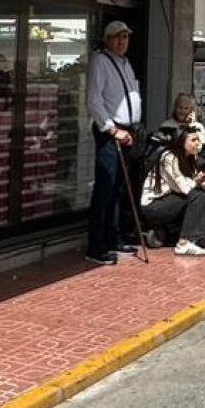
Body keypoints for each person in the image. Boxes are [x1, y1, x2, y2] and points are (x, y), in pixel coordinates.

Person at [86, 20, 142, 265]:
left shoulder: (125, 62)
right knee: (105, 187)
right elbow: (93, 100)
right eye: (117, 36)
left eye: (125, 37)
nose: (122, 41)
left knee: (119, 188)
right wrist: (112, 129)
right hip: (111, 132)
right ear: (107, 39)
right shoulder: (100, 61)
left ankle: (113, 238)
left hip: (127, 131)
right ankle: (96, 246)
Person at [140, 125, 205, 256]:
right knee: (197, 195)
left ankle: (200, 237)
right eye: (193, 140)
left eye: (197, 140)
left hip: (172, 199)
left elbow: (191, 184)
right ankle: (183, 243)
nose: (197, 143)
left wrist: (200, 181)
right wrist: (196, 182)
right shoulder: (168, 157)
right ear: (182, 141)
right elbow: (183, 188)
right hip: (154, 205)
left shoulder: (190, 157)